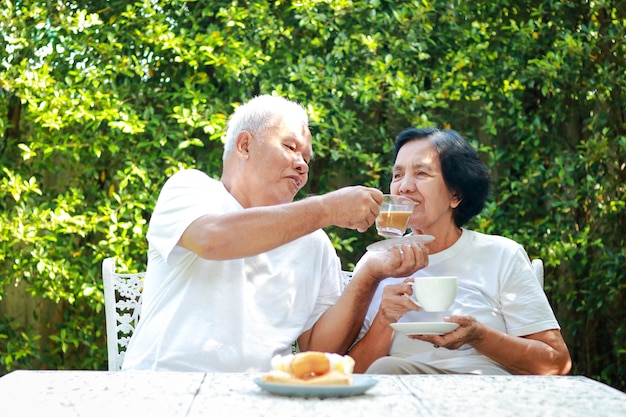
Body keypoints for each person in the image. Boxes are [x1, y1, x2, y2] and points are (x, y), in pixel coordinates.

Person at [122, 95, 429, 372]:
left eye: (307, 159)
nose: (302, 166)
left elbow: (320, 349)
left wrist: (370, 274)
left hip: (262, 399)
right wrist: (327, 209)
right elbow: (212, 240)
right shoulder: (191, 189)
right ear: (244, 146)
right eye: (290, 147)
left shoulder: (314, 242)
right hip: (165, 389)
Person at [348, 127, 572, 375]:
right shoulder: (376, 264)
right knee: (386, 368)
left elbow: (557, 363)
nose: (404, 187)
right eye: (398, 175)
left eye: (421, 173)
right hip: (401, 395)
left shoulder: (501, 255)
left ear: (456, 194)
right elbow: (349, 374)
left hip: (486, 394)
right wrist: (383, 321)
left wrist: (479, 336)